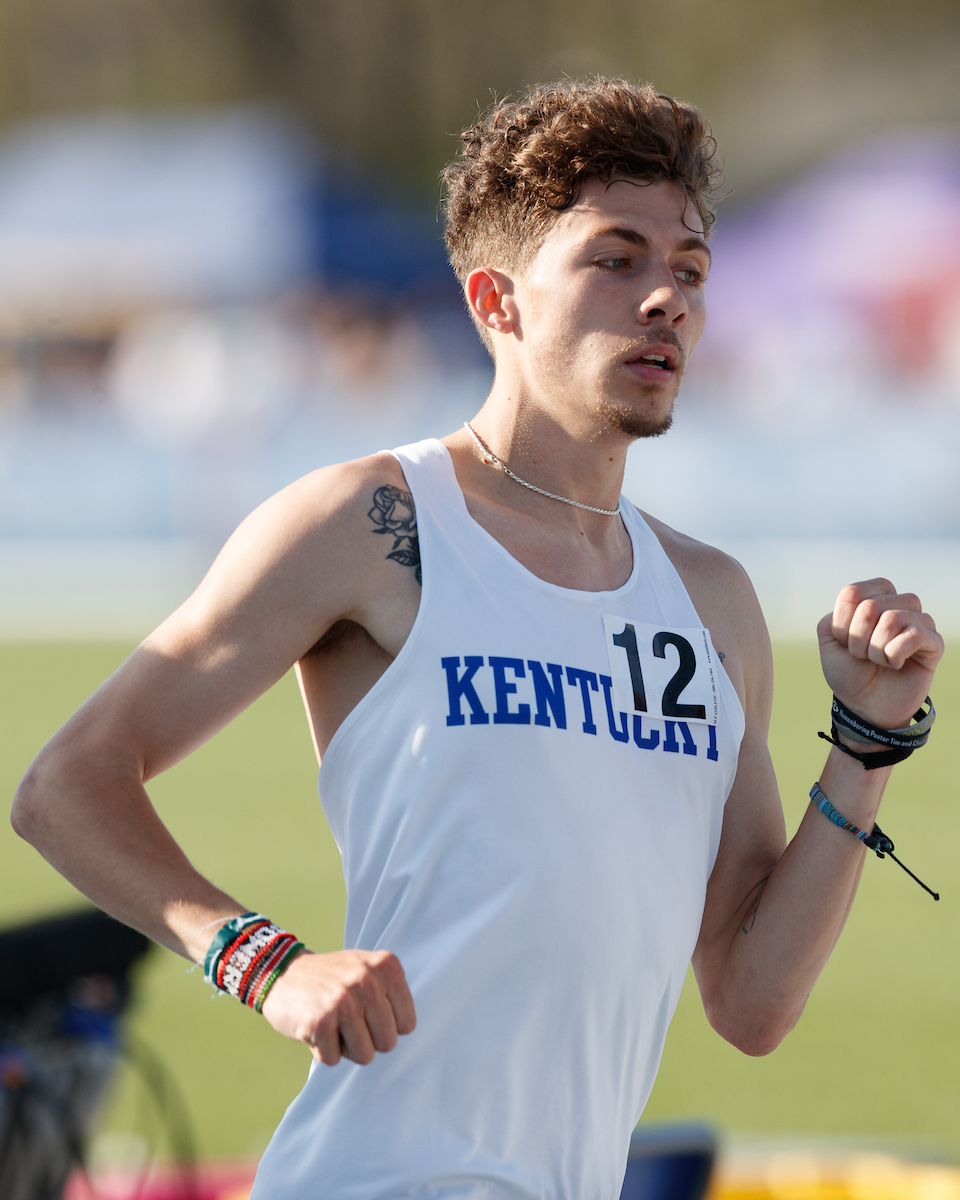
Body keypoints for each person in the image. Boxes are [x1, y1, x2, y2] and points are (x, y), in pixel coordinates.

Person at [12, 78, 943, 1200]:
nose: (667, 300)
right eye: (616, 258)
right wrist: (263, 964)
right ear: (495, 300)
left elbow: (751, 1004)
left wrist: (864, 745)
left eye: (689, 269)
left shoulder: (712, 600)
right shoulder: (368, 522)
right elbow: (66, 785)